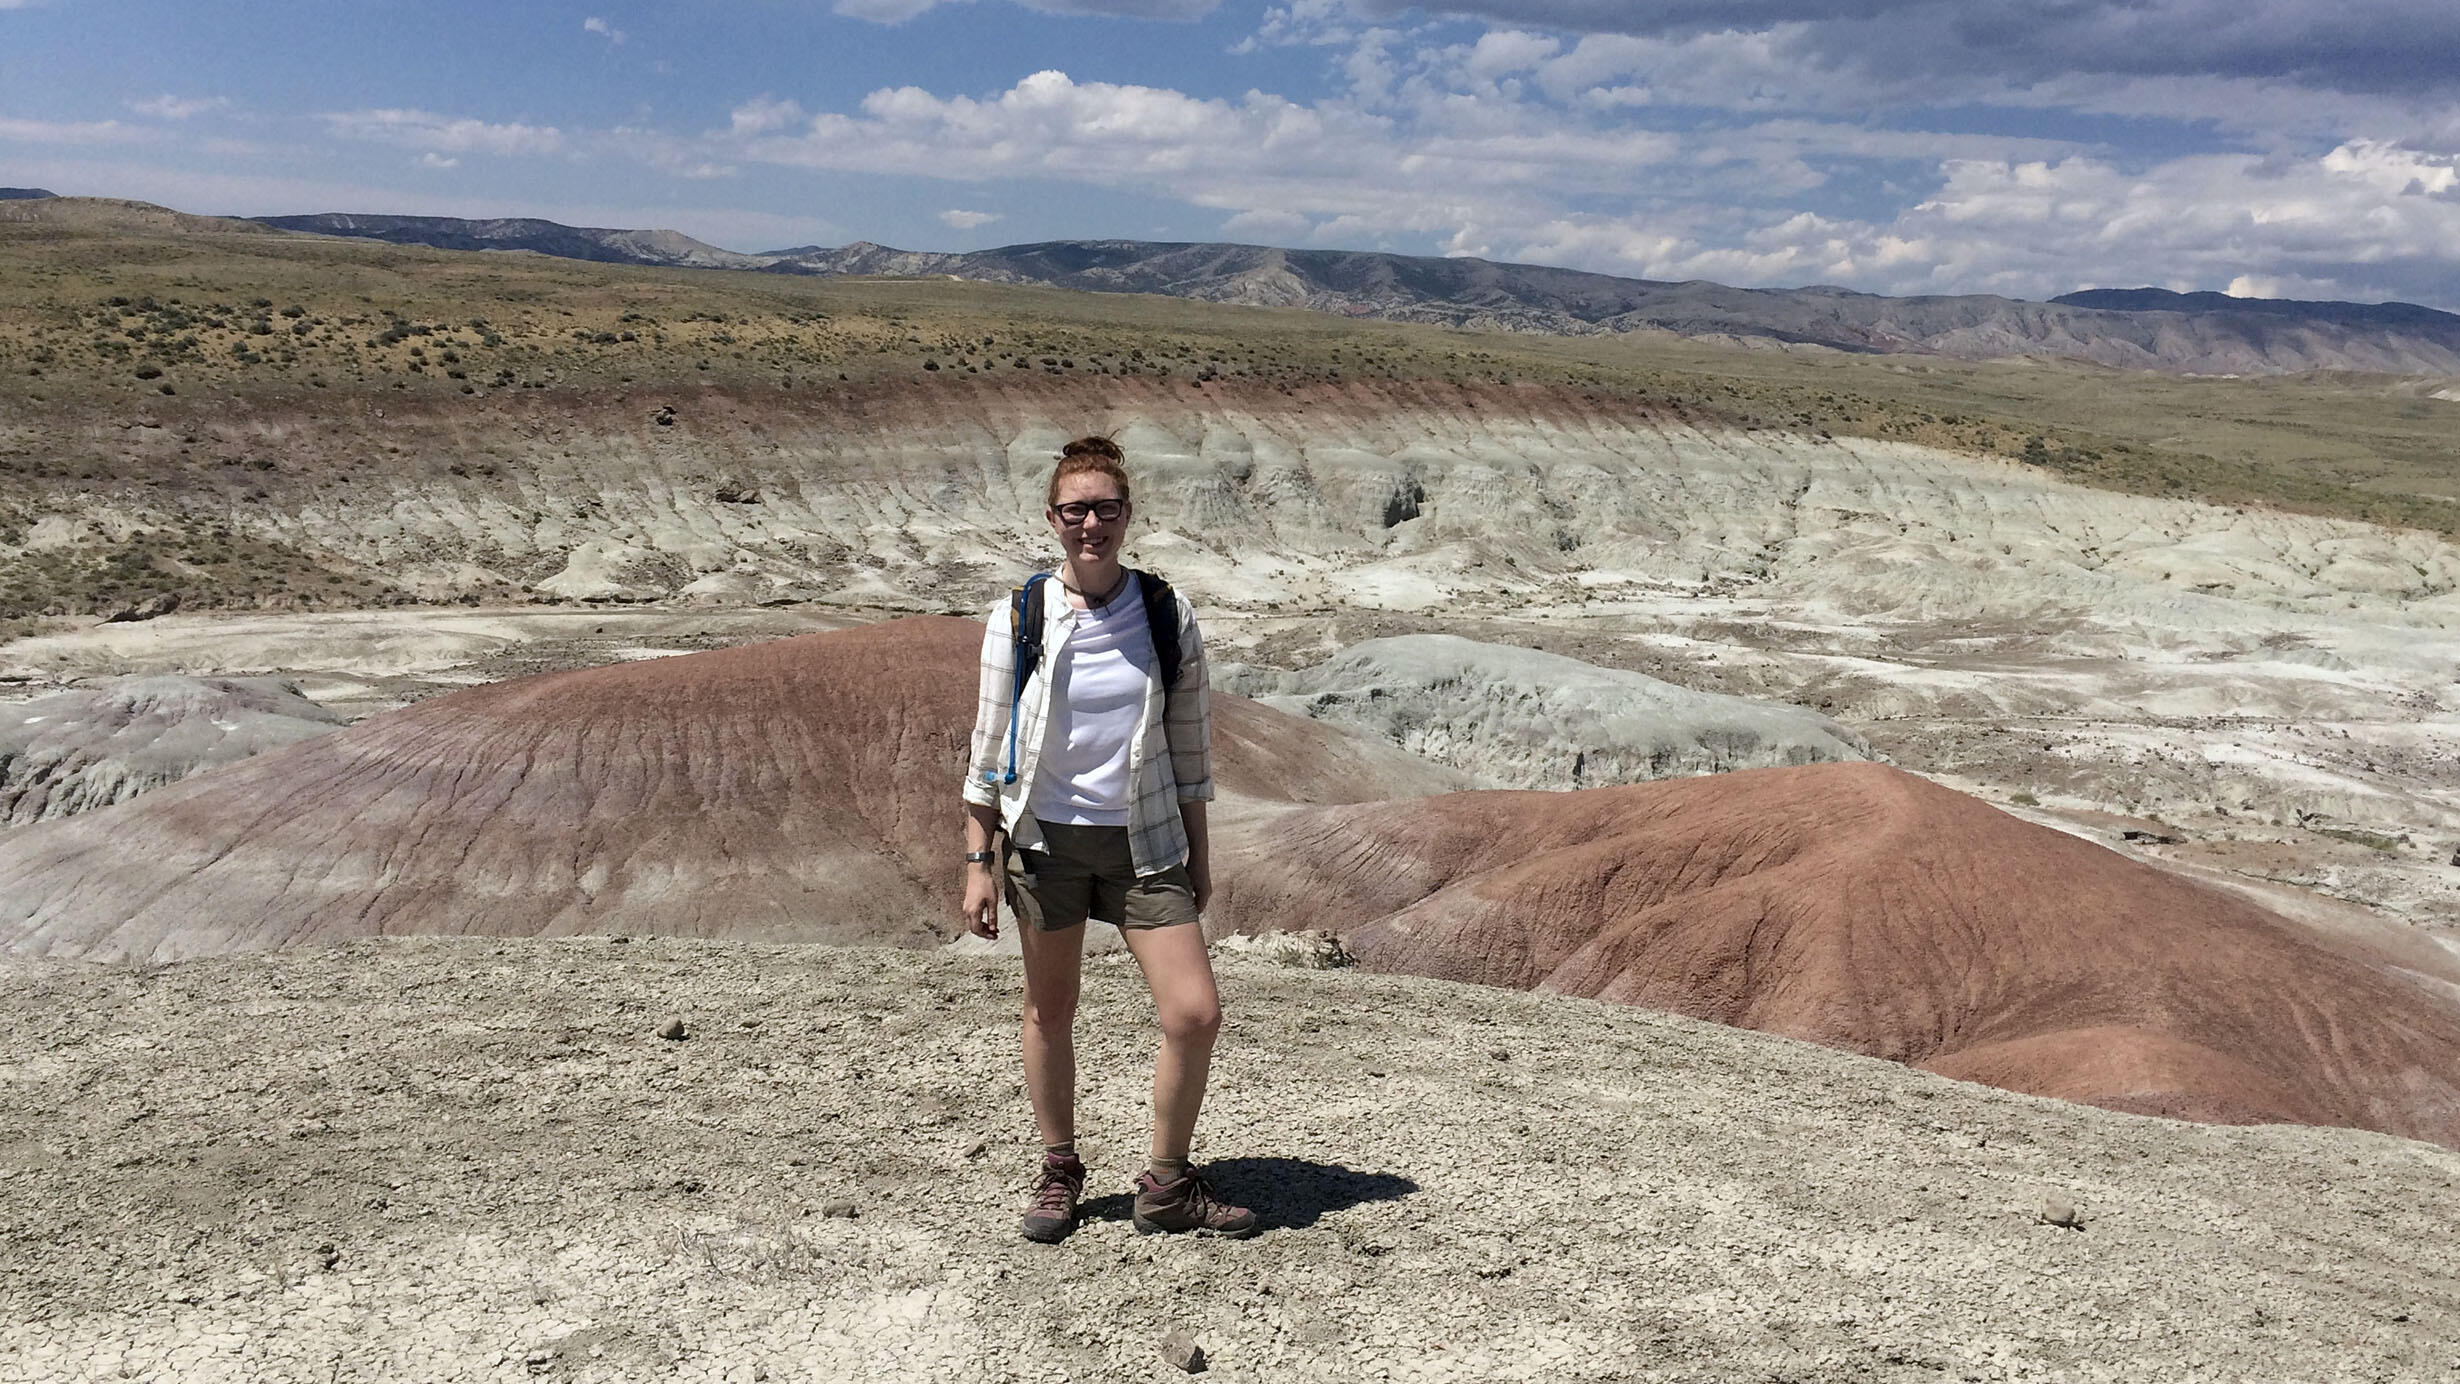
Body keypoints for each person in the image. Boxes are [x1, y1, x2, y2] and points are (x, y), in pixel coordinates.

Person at [960, 435, 1257, 1244]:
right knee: (1049, 1010)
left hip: (1144, 840)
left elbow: (1191, 746)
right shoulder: (1020, 614)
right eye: (1076, 509)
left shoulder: (1164, 611)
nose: (1091, 523)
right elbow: (990, 746)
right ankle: (1060, 1169)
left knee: (1194, 1013)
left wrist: (1199, 853)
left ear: (1128, 515)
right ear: (1051, 518)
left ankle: (1165, 1184)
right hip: (1046, 841)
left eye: (1107, 508)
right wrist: (978, 859)